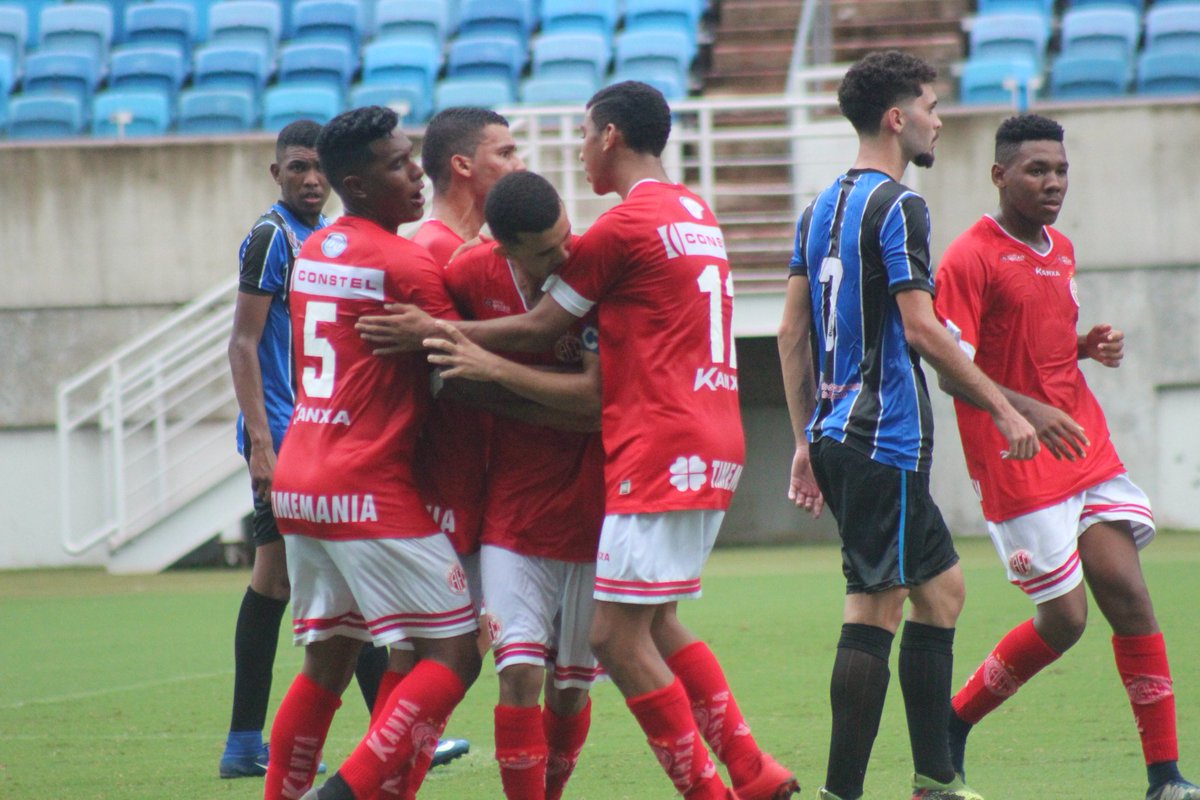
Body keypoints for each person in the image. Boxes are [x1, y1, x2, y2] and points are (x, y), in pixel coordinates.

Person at [359, 80, 800, 800]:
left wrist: (439, 336)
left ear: (609, 138)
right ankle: (752, 770)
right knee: (641, 630)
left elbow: (542, 335)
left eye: (584, 133)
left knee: (614, 640)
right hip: (705, 440)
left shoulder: (616, 232)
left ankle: (722, 789)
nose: (561, 257)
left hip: (652, 448)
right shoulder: (692, 209)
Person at [776, 51, 1039, 800]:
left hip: (836, 433)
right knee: (875, 602)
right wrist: (1003, 404)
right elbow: (922, 330)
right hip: (880, 437)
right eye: (930, 105)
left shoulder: (819, 207)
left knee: (943, 589)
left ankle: (934, 779)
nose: (938, 118)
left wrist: (804, 438)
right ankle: (842, 794)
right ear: (897, 118)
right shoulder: (900, 207)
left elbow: (792, 334)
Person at [933, 113, 1200, 800]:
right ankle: (952, 726)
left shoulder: (1062, 249)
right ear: (999, 175)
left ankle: (1165, 778)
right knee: (1067, 620)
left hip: (1081, 442)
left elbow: (1038, 343)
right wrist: (1024, 408)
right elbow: (950, 366)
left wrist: (1086, 346)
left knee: (1130, 596)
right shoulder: (969, 257)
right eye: (1036, 170)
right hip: (1017, 454)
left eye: (1061, 171)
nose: (1053, 183)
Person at [261, 105, 482, 800]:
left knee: (327, 663)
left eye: (412, 156)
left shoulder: (315, 252)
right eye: (397, 165)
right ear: (354, 184)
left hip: (300, 475)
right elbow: (467, 365)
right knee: (454, 652)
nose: (416, 174)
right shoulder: (406, 264)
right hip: (367, 483)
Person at [425, 170, 604, 800]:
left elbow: (594, 404)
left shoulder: (592, 268)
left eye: (566, 238)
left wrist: (494, 376)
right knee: (519, 673)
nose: (565, 255)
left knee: (572, 685)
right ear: (504, 250)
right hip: (513, 510)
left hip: (594, 507)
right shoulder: (470, 276)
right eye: (548, 250)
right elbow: (442, 366)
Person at [221, 119, 386, 780]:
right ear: (277, 174)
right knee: (345, 574)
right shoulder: (272, 237)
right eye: (297, 169)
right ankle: (391, 730)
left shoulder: (325, 238)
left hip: (316, 434)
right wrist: (263, 443)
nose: (310, 180)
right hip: (288, 439)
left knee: (281, 580)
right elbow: (243, 342)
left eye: (318, 169)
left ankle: (243, 743)